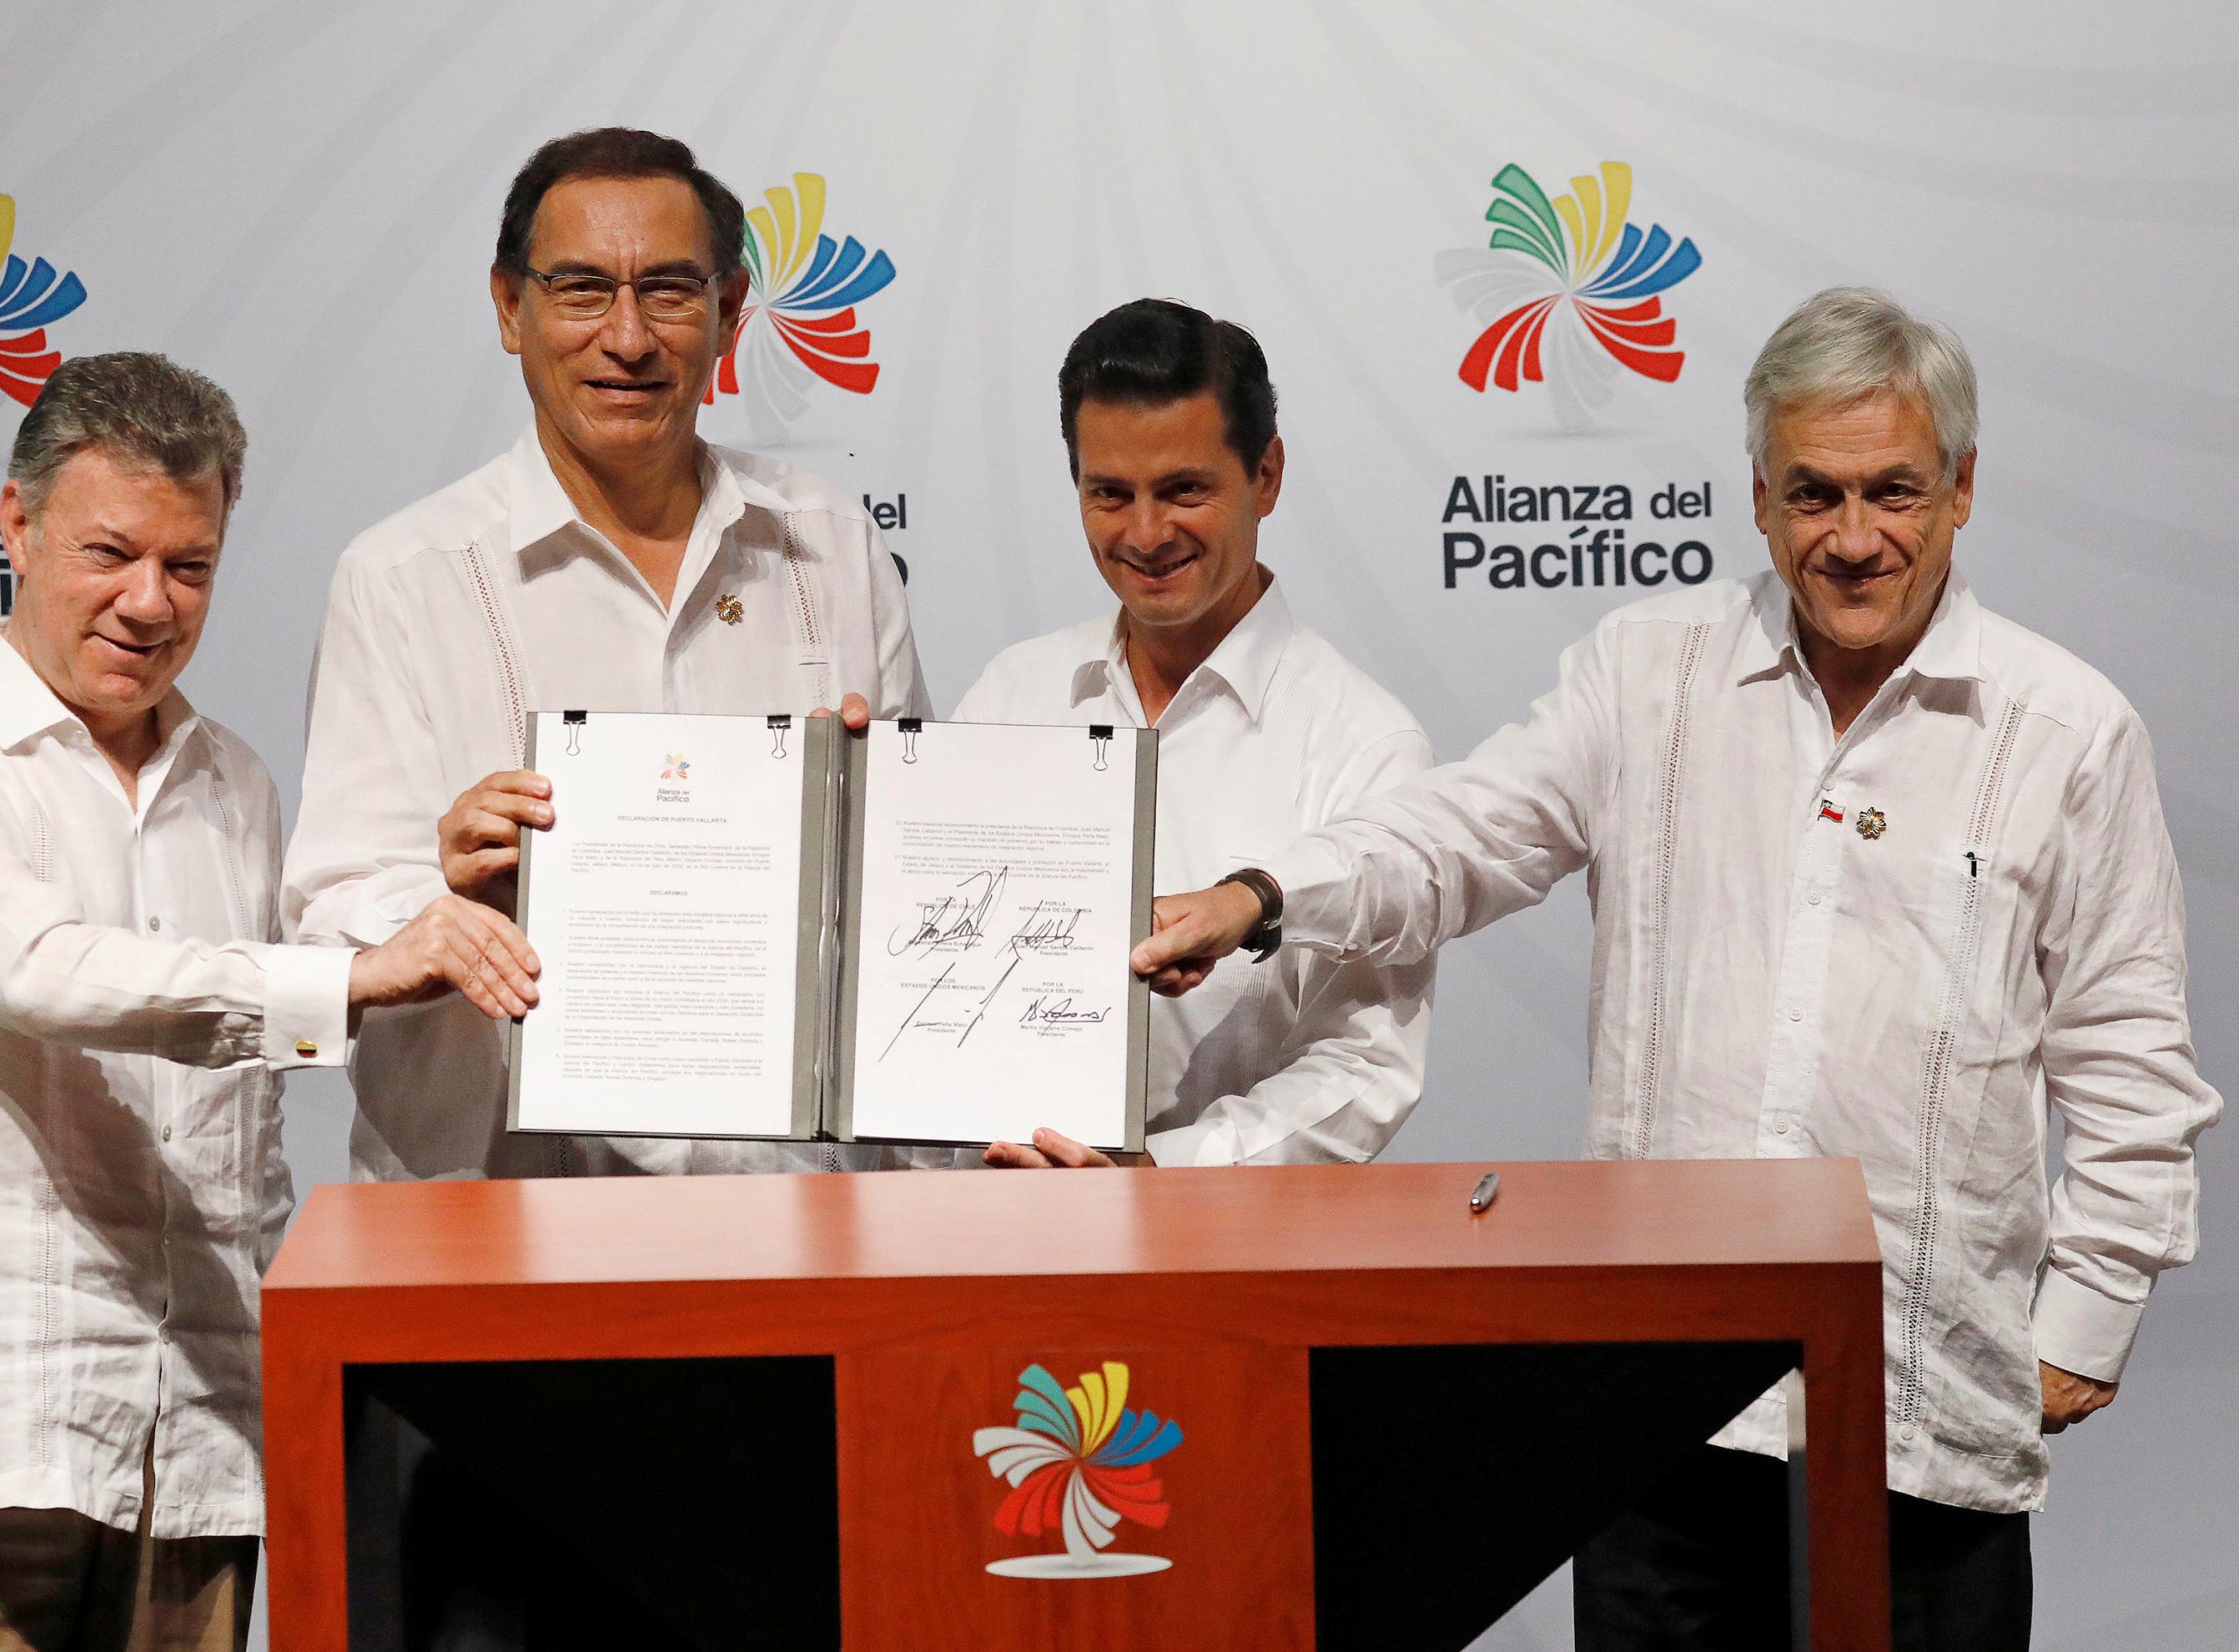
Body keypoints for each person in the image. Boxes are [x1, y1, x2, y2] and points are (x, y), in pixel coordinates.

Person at [1131, 288, 2219, 1649]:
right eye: (1814, 493)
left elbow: (2133, 1069)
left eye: (1896, 489)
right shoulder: (1648, 674)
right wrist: (1264, 891)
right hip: (1657, 1425)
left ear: (1964, 488)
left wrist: (2083, 1324)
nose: (1856, 536)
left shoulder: (2067, 731)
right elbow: (1456, 835)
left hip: (1922, 1419)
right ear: (1757, 496)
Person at [0, 353, 537, 1652]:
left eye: (189, 565)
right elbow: (43, 971)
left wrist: (456, 886)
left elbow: (256, 1107)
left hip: (191, 1444)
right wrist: (356, 974)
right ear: (16, 527)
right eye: (111, 553)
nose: (149, 602)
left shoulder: (234, 784)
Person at [284, 127, 939, 1181]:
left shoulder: (832, 540)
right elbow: (328, 918)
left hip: (794, 1226)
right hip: (501, 1234)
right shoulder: (404, 576)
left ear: (729, 312)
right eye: (582, 290)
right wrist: (453, 897)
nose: (627, 339)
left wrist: (880, 826)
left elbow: (917, 892)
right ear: (510, 307)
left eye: (670, 291)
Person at [955, 299, 1433, 1172]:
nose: (1144, 534)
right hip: (993, 1234)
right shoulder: (1009, 693)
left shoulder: (1363, 741)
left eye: (1184, 490)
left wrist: (1162, 1179)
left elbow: (1365, 1065)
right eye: (1110, 493)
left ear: (1268, 476)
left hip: (1231, 1266)